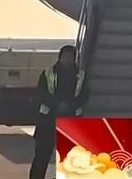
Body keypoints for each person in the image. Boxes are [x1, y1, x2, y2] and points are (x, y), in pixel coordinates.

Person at [30, 45, 87, 179]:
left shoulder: (81, 76)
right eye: (65, 56)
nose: (67, 59)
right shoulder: (47, 73)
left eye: (71, 57)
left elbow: (84, 96)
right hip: (48, 120)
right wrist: (57, 105)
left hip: (72, 120)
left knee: (71, 158)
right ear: (60, 57)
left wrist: (69, 106)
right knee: (42, 156)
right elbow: (42, 94)